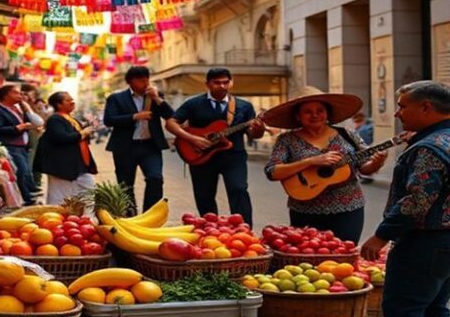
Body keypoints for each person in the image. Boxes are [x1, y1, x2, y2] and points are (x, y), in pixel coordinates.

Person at [361, 81, 450, 317]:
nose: (397, 113)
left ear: (426, 107)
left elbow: (417, 201)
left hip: (425, 243)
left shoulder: (430, 148)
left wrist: (381, 235)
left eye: (402, 106)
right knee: (435, 307)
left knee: (404, 309)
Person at [263, 86, 387, 242]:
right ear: (298, 116)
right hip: (304, 209)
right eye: (307, 111)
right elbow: (272, 172)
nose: (315, 115)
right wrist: (310, 161)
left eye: (320, 110)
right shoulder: (287, 140)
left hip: (348, 207)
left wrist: (377, 162)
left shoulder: (346, 135)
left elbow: (365, 168)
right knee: (308, 257)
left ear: (327, 113)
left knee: (344, 256)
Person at [165, 67, 264, 227]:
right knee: (204, 196)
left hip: (233, 156)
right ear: (208, 84)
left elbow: (252, 134)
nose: (222, 86)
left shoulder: (244, 106)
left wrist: (258, 130)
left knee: (238, 189)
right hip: (201, 157)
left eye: (226, 82)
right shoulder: (193, 104)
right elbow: (171, 123)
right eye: (217, 83)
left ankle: (245, 230)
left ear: (231, 83)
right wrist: (193, 139)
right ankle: (210, 230)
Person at [103, 66, 174, 213]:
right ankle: (131, 217)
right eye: (141, 80)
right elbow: (109, 120)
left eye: (147, 79)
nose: (146, 83)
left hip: (150, 146)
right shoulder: (116, 98)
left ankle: (149, 215)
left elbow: (171, 115)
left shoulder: (155, 96)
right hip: (125, 147)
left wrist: (157, 98)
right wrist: (134, 117)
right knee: (125, 185)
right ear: (131, 82)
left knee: (155, 178)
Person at [33, 91, 97, 205]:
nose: (72, 102)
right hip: (61, 164)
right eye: (68, 100)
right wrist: (83, 133)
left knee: (89, 189)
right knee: (59, 196)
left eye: (72, 99)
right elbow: (61, 138)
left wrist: (85, 134)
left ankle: (86, 217)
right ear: (58, 104)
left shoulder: (71, 118)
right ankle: (54, 219)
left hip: (78, 162)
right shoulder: (55, 119)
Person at [0, 84, 40, 205]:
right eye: (16, 93)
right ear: (6, 95)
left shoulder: (18, 109)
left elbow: (38, 122)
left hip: (22, 146)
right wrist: (18, 128)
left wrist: (27, 108)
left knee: (24, 171)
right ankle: (26, 199)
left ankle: (26, 197)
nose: (20, 95)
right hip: (9, 146)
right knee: (21, 171)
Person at [21, 83, 46, 196]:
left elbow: (40, 121)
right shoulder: (21, 107)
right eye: (25, 94)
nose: (28, 97)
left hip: (34, 137)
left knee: (33, 162)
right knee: (27, 164)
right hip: (24, 139)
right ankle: (29, 188)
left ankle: (33, 184)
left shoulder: (31, 106)